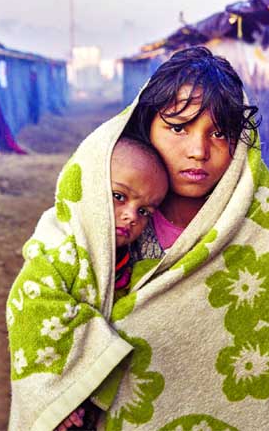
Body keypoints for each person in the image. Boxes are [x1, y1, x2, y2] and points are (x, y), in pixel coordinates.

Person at [7, 46, 269, 431]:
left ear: (241, 144)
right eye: (178, 127)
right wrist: (64, 388)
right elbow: (34, 300)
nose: (198, 151)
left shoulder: (262, 229)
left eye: (218, 133)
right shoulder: (96, 216)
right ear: (145, 124)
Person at [56, 137, 168, 431]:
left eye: (144, 211)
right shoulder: (58, 251)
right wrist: (57, 396)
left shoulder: (131, 259)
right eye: (119, 196)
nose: (131, 216)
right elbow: (36, 320)